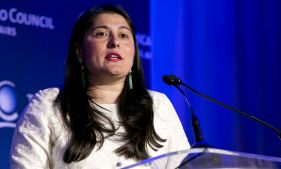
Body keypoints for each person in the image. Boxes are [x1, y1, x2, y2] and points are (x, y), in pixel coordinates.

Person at [10, 4, 190, 169]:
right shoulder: (49, 105)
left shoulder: (158, 106)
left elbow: (186, 165)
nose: (115, 42)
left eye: (123, 35)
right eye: (101, 34)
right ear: (80, 52)